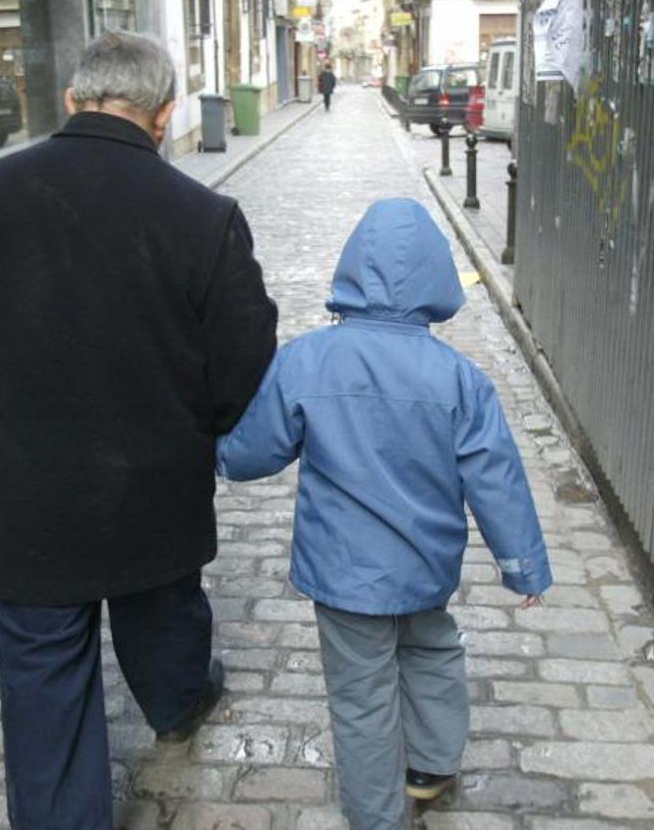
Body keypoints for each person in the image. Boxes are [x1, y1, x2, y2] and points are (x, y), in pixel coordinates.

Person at [0, 31, 277, 828]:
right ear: (162, 117)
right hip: (155, 483)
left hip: (33, 495)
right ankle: (177, 703)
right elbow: (245, 352)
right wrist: (207, 423)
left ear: (69, 100)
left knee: (43, 665)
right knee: (164, 608)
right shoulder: (205, 216)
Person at [216, 198, 551, 829]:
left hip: (343, 575)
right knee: (432, 650)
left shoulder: (306, 359)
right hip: (425, 566)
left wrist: (223, 458)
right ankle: (431, 766)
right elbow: (496, 478)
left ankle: (375, 817)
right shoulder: (460, 379)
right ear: (436, 280)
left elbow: (259, 448)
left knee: (361, 695)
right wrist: (522, 566)